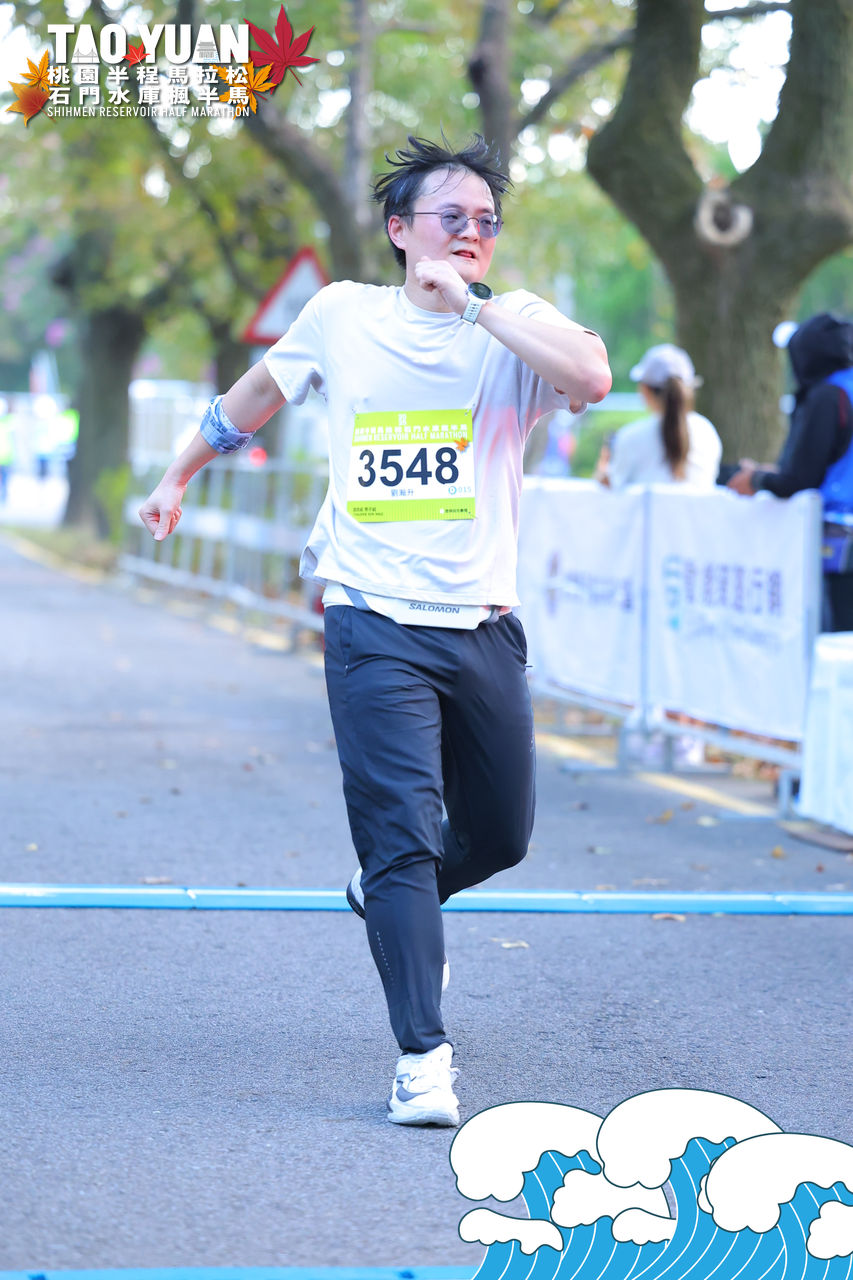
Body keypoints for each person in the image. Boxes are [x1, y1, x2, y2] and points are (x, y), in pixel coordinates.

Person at [139, 134, 611, 1127]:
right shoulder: (343, 315)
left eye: (486, 222)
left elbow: (592, 376)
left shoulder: (513, 323)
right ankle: (422, 1057)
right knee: (400, 836)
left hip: (481, 623)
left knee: (501, 835)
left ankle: (388, 890)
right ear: (400, 230)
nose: (472, 233)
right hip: (370, 618)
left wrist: (474, 307)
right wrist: (179, 474)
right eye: (451, 217)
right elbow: (254, 395)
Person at [728, 312, 853, 632]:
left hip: (839, 546)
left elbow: (799, 480)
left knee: (837, 645)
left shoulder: (828, 396)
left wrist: (756, 479)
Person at [597, 344, 721, 490]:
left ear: (645, 389)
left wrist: (603, 467)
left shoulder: (631, 437)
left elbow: (611, 487)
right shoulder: (707, 432)